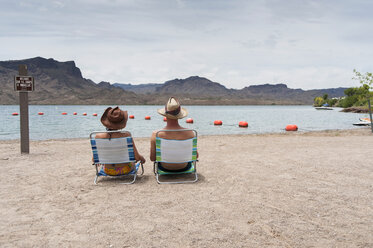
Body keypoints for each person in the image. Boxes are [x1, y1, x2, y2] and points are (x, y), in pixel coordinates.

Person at [150, 97, 198, 171]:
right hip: (184, 167)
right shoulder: (190, 133)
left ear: (165, 115)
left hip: (164, 167)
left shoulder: (156, 134)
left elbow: (152, 158)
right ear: (179, 115)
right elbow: (196, 156)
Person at [95, 106, 145, 175]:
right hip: (125, 169)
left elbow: (95, 159)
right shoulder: (126, 135)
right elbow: (136, 157)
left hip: (108, 170)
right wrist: (142, 158)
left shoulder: (98, 137)